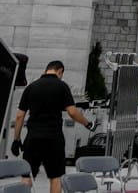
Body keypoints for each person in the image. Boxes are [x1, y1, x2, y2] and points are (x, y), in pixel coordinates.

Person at [12, 60, 93, 193]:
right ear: (60, 71)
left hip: (33, 138)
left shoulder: (31, 87)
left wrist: (16, 140)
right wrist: (87, 123)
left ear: (46, 70)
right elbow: (72, 112)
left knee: (27, 176)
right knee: (56, 177)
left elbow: (19, 116)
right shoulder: (62, 87)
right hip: (53, 139)